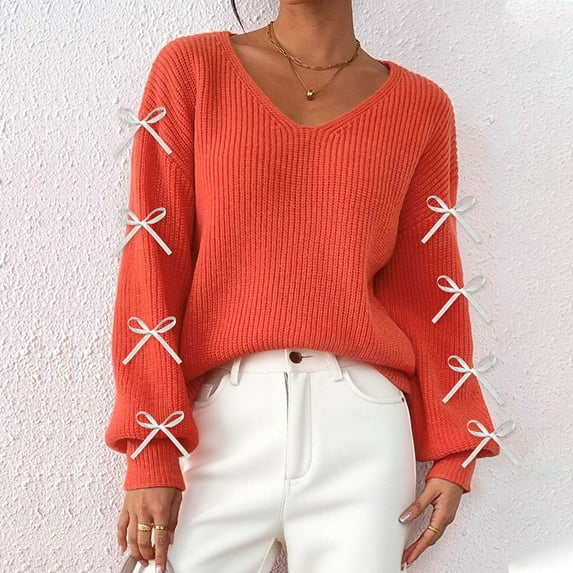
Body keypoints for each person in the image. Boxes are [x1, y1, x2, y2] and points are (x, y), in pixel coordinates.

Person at [106, 1, 500, 572]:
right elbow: (153, 257)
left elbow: (428, 285)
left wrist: (455, 446)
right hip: (218, 425)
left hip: (364, 429)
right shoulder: (193, 69)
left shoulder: (421, 106)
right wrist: (151, 447)